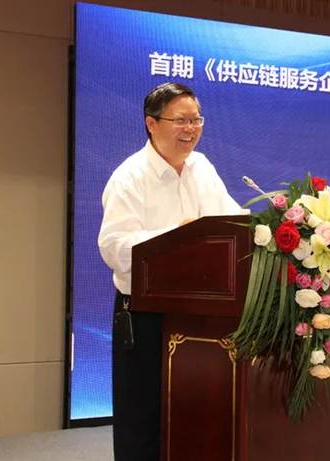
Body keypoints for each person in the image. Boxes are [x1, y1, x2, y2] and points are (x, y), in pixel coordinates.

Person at [98, 82, 242, 461]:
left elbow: (231, 220)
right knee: (143, 420)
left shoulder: (202, 167)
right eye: (180, 120)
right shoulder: (129, 177)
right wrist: (177, 236)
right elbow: (114, 247)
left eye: (196, 120)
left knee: (194, 414)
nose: (190, 129)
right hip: (146, 316)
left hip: (202, 315)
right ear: (151, 123)